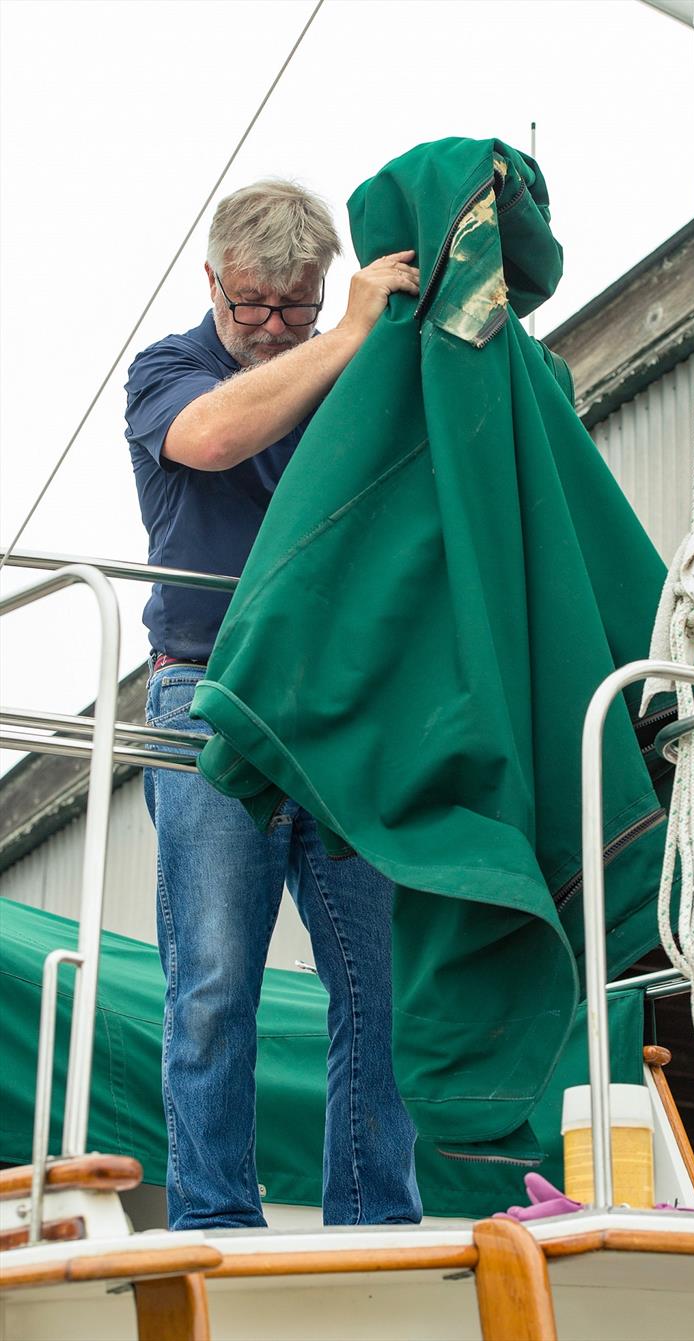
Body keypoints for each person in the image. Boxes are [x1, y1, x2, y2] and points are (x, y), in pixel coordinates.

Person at [125, 179, 422, 1231]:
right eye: (251, 304)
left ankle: (376, 1217)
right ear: (213, 280)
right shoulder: (172, 372)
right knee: (211, 981)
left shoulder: (347, 367)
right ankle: (211, 1219)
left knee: (377, 985)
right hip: (204, 694)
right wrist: (340, 337)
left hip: (339, 710)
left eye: (292, 307)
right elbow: (209, 440)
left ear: (320, 289)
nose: (268, 327)